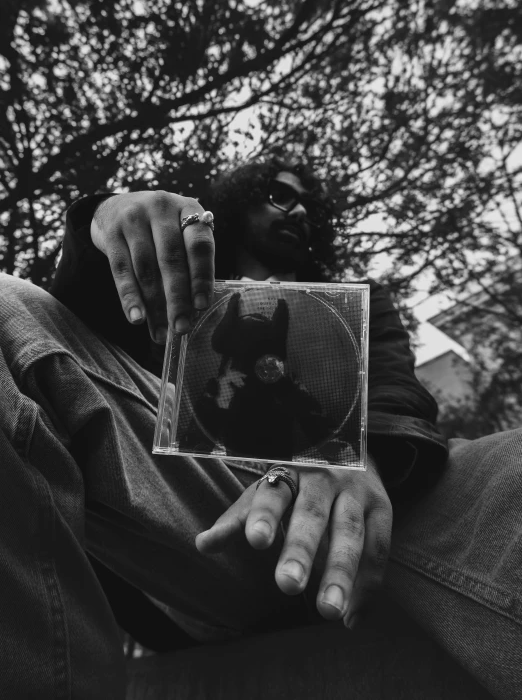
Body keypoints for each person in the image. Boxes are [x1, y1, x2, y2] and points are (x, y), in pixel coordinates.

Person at [0, 157, 519, 699]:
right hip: (204, 502)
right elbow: (66, 341)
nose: (296, 209)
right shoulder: (168, 285)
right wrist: (101, 219)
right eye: (277, 193)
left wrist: (356, 452)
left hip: (367, 485)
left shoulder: (360, 302)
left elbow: (396, 393)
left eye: (307, 205)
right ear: (235, 201)